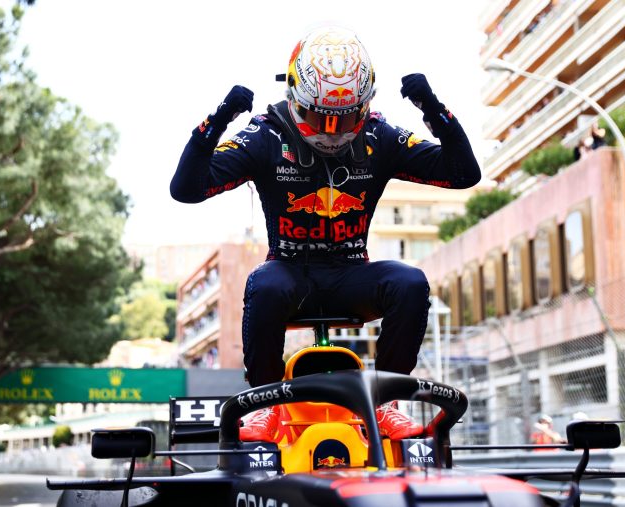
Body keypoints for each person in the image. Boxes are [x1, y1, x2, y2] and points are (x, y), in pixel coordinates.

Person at [171, 26, 481, 441]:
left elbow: (463, 174)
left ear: (366, 105)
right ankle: (266, 403)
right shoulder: (266, 134)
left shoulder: (379, 135)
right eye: (322, 117)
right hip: (289, 273)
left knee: (410, 282)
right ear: (296, 98)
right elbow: (186, 189)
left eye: (347, 117)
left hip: (351, 272)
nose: (334, 130)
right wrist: (220, 118)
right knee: (263, 284)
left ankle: (384, 402)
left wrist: (433, 108)